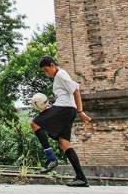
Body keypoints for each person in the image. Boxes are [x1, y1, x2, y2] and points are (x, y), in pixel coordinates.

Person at [30, 55, 92, 187]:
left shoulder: (61, 75)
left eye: (47, 70)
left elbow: (76, 91)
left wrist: (81, 112)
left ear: (53, 65)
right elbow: (66, 96)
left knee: (34, 123)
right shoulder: (60, 76)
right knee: (64, 144)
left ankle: (51, 158)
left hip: (65, 109)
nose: (46, 74)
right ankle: (81, 178)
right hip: (67, 110)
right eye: (44, 72)